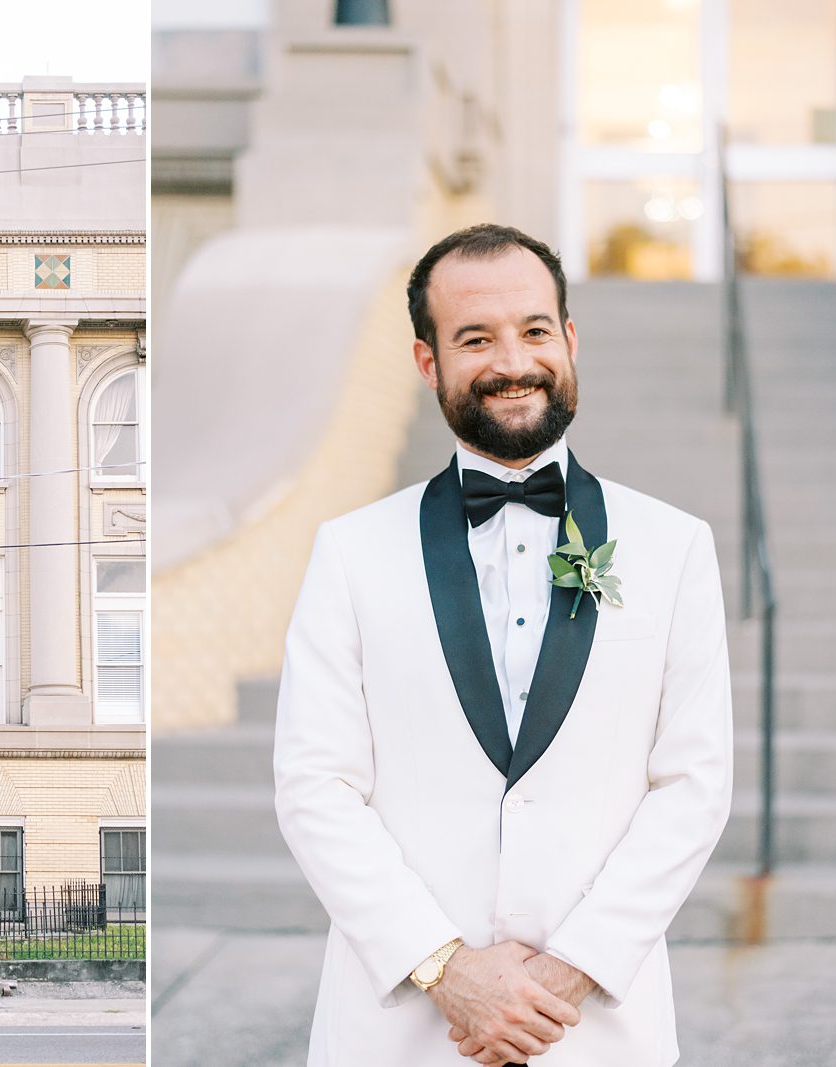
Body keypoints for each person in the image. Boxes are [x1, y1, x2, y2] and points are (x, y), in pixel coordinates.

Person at [273, 223, 732, 1066]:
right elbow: (315, 784)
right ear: (427, 362)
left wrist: (570, 971)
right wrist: (446, 968)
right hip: (404, 1031)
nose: (512, 361)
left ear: (570, 340)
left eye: (534, 330)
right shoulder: (350, 550)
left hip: (598, 1033)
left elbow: (695, 785)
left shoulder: (675, 546)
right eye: (475, 338)